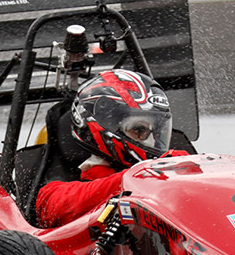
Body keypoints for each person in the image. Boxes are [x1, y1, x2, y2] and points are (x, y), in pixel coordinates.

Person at [36, 69, 180, 228]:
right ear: (105, 126)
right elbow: (50, 209)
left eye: (156, 132)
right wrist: (142, 177)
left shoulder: (173, 168)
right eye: (139, 130)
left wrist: (184, 169)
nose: (152, 142)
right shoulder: (57, 193)